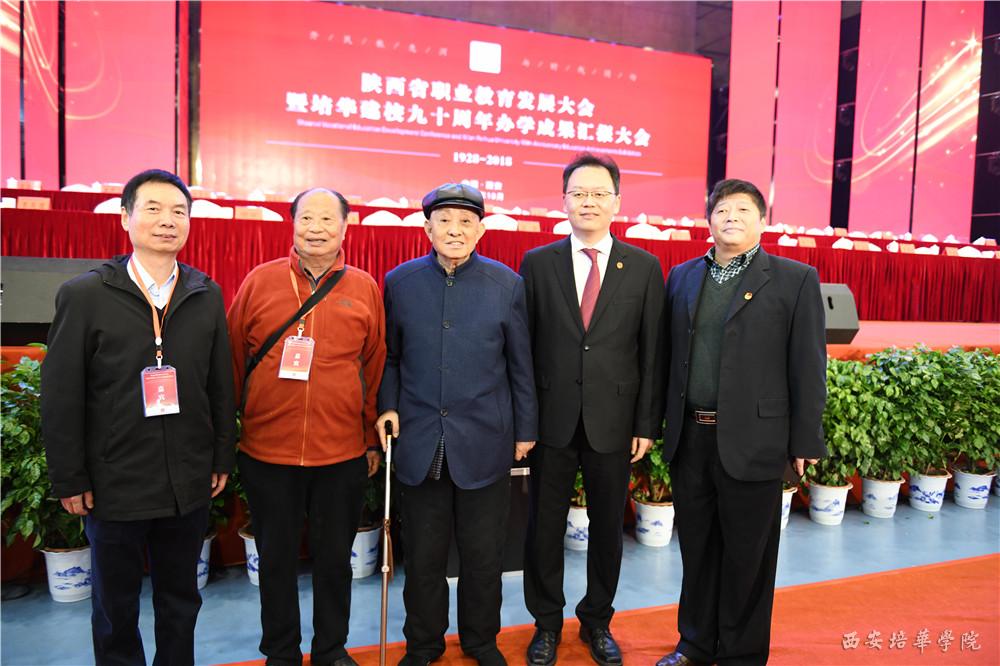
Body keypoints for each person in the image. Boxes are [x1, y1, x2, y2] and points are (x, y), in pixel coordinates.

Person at [41, 168, 235, 665]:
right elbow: (61, 394)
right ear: (126, 218)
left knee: (181, 601)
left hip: (186, 481)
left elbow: (219, 385)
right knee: (115, 607)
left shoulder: (205, 293)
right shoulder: (85, 295)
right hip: (115, 483)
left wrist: (220, 457)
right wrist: (69, 476)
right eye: (153, 209)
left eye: (179, 212)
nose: (168, 221)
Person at [656, 179, 827, 666]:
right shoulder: (683, 276)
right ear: (708, 220)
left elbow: (808, 365)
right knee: (697, 549)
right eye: (722, 209)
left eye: (743, 210)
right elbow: (667, 357)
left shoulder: (795, 279)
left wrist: (805, 439)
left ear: (763, 221)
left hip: (755, 440)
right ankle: (694, 644)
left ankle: (741, 655)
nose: (731, 217)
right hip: (691, 437)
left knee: (748, 555)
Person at [376, 183, 537, 666]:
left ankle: (480, 641)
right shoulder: (400, 282)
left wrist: (525, 430)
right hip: (419, 440)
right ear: (427, 228)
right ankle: (423, 644)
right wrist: (387, 406)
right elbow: (390, 358)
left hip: (485, 441)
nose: (455, 230)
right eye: (444, 220)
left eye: (466, 221)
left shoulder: (506, 284)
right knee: (424, 558)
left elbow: (520, 365)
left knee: (483, 556)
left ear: (481, 230)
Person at [227, 188, 386, 666]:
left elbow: (375, 365)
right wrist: (229, 431)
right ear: (292, 223)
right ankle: (280, 652)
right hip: (267, 453)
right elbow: (232, 360)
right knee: (275, 560)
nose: (316, 228)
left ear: (345, 227)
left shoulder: (364, 287)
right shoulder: (260, 281)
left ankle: (330, 649)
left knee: (335, 561)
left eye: (327, 219)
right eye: (306, 219)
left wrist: (368, 438)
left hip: (341, 453)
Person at [519, 153, 666, 666]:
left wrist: (646, 422)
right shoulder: (538, 263)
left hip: (615, 422)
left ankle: (597, 621)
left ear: (617, 202)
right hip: (551, 421)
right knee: (543, 527)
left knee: (607, 528)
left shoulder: (643, 267)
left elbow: (652, 352)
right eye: (578, 193)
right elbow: (524, 347)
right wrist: (524, 419)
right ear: (563, 201)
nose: (588, 202)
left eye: (599, 193)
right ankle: (545, 624)